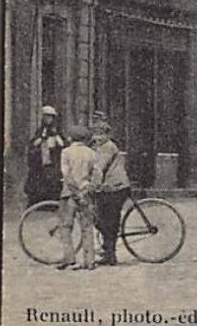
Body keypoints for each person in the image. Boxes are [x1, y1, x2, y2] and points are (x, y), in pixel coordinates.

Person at [90, 113, 131, 266]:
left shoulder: (108, 147)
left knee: (109, 221)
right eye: (95, 134)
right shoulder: (101, 146)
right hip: (109, 187)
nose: (97, 137)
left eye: (101, 134)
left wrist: (91, 185)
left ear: (107, 135)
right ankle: (107, 248)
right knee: (101, 219)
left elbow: (99, 168)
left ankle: (110, 254)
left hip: (116, 188)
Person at [56, 124, 98, 271]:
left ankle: (70, 259)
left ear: (71, 138)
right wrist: (86, 189)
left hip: (70, 195)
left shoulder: (66, 152)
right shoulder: (92, 153)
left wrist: (75, 193)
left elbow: (67, 175)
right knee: (87, 227)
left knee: (65, 226)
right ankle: (90, 261)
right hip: (86, 194)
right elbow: (97, 175)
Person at [24, 105, 67, 205]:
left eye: (50, 117)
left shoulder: (57, 130)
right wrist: (40, 140)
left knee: (53, 180)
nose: (48, 119)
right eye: (46, 117)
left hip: (53, 160)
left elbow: (62, 144)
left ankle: (52, 202)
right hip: (41, 161)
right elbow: (34, 144)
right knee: (39, 179)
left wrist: (56, 139)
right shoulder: (40, 131)